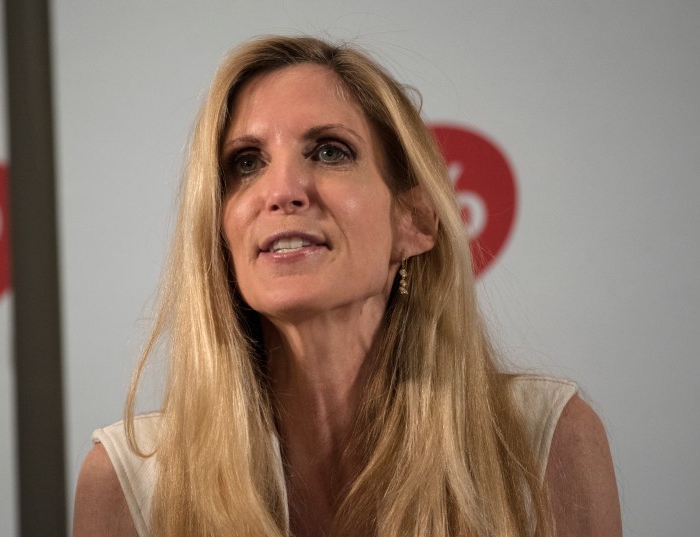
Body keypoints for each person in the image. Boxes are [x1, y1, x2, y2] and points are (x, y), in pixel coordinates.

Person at [74, 35, 621, 536]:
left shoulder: (543, 442)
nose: (282, 190)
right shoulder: (129, 485)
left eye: (330, 151)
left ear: (415, 222)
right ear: (218, 230)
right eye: (246, 163)